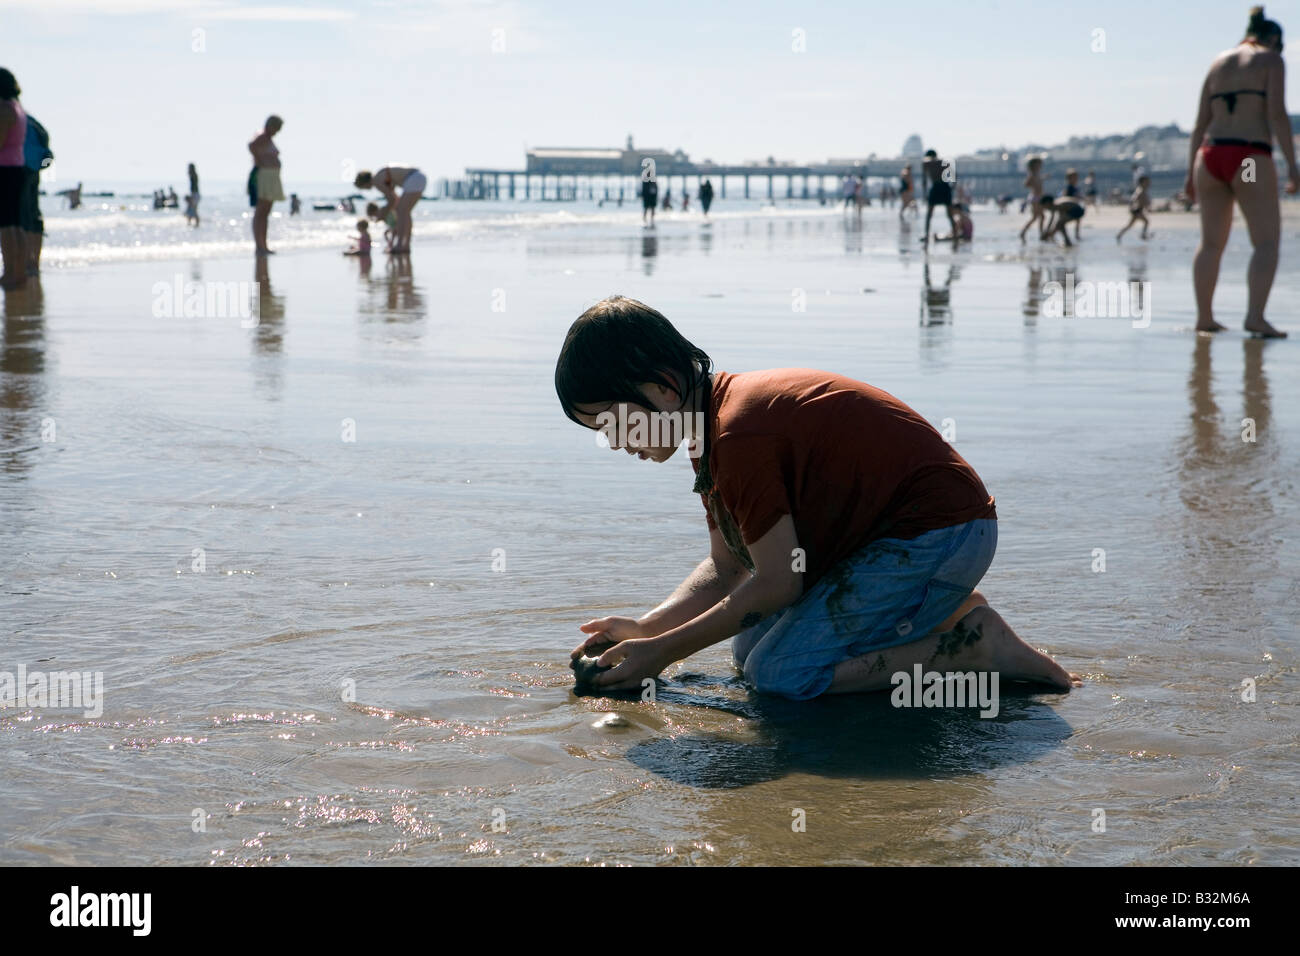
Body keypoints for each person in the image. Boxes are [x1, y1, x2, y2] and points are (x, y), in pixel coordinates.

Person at [556, 295, 1079, 699]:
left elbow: (780, 582)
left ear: (663, 389)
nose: (613, 442)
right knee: (749, 648)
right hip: (893, 540)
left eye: (611, 421)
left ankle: (974, 648)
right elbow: (729, 566)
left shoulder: (738, 435)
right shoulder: (706, 432)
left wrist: (660, 654)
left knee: (781, 673)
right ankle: (933, 610)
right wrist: (649, 628)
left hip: (940, 533)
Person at [1185, 5, 1298, 337]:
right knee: (1265, 242)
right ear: (1274, 39)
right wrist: (1293, 166)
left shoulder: (1217, 61)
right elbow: (1277, 114)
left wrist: (1189, 174)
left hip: (1209, 157)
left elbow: (1198, 124)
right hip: (1247, 158)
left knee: (1210, 244)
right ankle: (1255, 317)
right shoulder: (1270, 60)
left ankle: (1204, 318)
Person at [0, 67, 30, 289]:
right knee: (16, 223)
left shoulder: (4, 109)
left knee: (6, 224)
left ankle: (11, 271)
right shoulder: (18, 108)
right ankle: (19, 271)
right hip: (17, 166)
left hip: (5, 168)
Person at [354, 166, 425, 254]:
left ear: (364, 183)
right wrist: (387, 211)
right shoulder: (379, 176)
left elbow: (392, 200)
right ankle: (405, 245)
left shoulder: (376, 181)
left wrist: (383, 213)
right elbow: (395, 198)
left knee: (402, 212)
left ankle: (400, 245)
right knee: (404, 212)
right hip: (417, 177)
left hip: (413, 178)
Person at [248, 114, 285, 256]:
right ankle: (259, 246)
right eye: (277, 128)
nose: (278, 131)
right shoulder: (262, 136)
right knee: (261, 212)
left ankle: (263, 245)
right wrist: (259, 160)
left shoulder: (268, 138)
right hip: (264, 177)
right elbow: (251, 146)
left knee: (265, 213)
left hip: (270, 177)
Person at [20, 110, 51, 276]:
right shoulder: (31, 121)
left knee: (18, 217)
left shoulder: (10, 116)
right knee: (33, 214)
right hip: (33, 169)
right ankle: (34, 263)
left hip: (17, 168)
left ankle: (21, 263)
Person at [922, 149, 957, 244]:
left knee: (929, 215)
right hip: (945, 187)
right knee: (949, 215)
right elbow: (954, 176)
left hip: (936, 187)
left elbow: (924, 181)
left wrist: (925, 194)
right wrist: (952, 188)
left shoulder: (926, 163)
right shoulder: (944, 162)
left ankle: (926, 235)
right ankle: (955, 235)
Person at [1116, 175, 1152, 242]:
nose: (1149, 183)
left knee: (1130, 225)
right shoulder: (1140, 190)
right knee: (1146, 222)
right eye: (1147, 182)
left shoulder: (1143, 190)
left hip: (1139, 210)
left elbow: (1145, 201)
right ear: (1142, 182)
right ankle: (1143, 235)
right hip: (1137, 210)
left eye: (1149, 182)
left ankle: (1119, 235)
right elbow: (1133, 199)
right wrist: (1132, 206)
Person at [1018, 156, 1046, 241]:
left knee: (1042, 217)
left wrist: (1042, 179)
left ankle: (1041, 234)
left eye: (1040, 164)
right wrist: (1033, 185)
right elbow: (1026, 184)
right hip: (1035, 198)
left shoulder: (1037, 174)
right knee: (1035, 217)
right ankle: (1023, 232)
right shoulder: (1032, 174)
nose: (1040, 166)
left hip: (1039, 197)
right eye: (1038, 164)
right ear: (1033, 166)